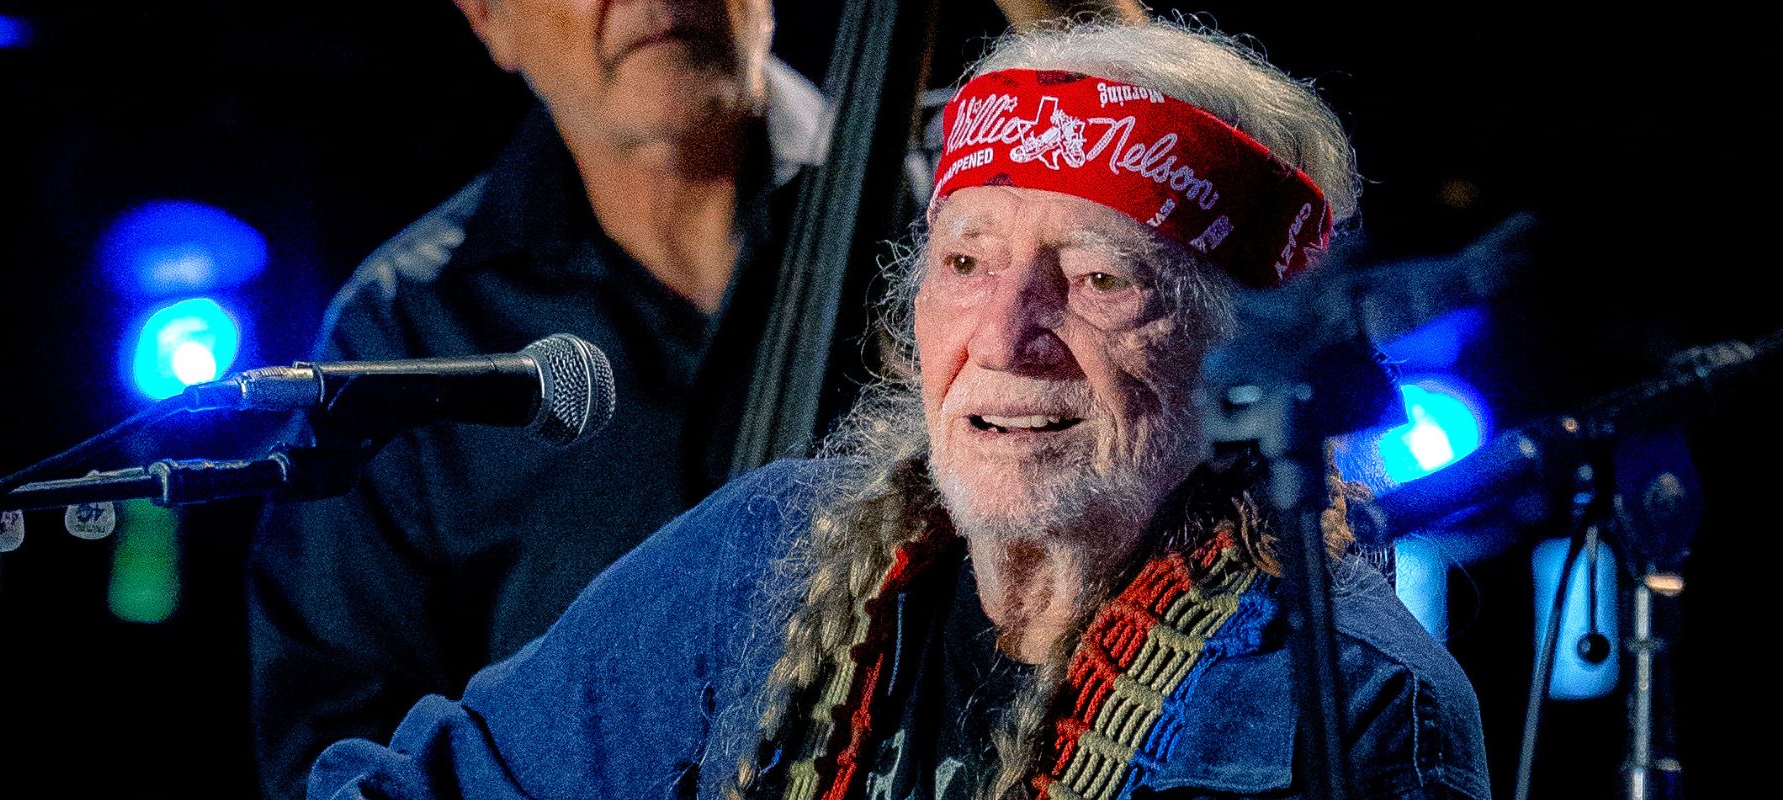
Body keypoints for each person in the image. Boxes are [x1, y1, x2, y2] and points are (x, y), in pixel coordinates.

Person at [306, 17, 1489, 800]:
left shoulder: (1361, 700)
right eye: (966, 262)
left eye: (1097, 278)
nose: (1004, 335)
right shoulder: (765, 549)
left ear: (1242, 353)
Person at [247, 1, 1151, 798]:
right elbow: (336, 744)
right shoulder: (408, 328)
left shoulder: (975, 233)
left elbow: (1176, 207)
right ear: (488, 18)